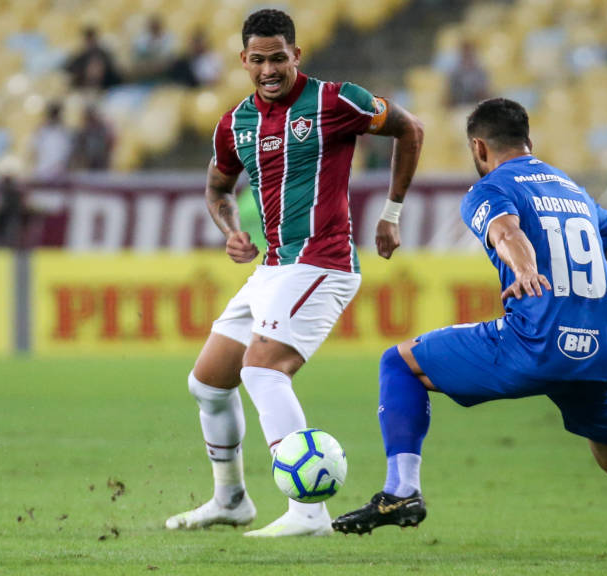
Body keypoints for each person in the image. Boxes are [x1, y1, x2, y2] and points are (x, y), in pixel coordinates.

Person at [332, 98, 607, 563]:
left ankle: (401, 491)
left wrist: (525, 268)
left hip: (533, 344)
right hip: (597, 355)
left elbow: (506, 232)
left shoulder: (490, 189)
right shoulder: (573, 192)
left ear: (479, 147)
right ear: (529, 141)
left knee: (399, 362)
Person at [163, 9, 424, 538]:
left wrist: (392, 213)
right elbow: (218, 190)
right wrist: (231, 229)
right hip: (274, 267)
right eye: (257, 60)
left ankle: (309, 512)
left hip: (323, 262)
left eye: (277, 58)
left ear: (296, 55)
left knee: (262, 371)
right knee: (208, 385)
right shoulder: (235, 122)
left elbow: (409, 128)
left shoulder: (335, 100)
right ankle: (231, 500)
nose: (268, 70)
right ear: (243, 60)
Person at [64, 26, 122, 91]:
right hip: (85, 88)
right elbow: (68, 70)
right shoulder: (80, 56)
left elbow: (115, 75)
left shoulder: (104, 55)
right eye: (88, 40)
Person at [29, 101, 73, 179]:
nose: (54, 117)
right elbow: (34, 150)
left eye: (56, 114)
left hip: (59, 172)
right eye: (52, 114)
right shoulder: (42, 131)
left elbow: (67, 151)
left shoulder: (64, 131)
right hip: (43, 171)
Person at [69, 105, 115, 171]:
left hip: (101, 162)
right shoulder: (83, 131)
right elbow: (78, 149)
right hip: (88, 163)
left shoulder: (102, 129)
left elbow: (110, 143)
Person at [446, 40, 490, 107]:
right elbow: (451, 96)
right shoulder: (454, 73)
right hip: (459, 108)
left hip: (477, 107)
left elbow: (485, 94)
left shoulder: (481, 72)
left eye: (470, 54)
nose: (467, 56)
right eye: (465, 54)